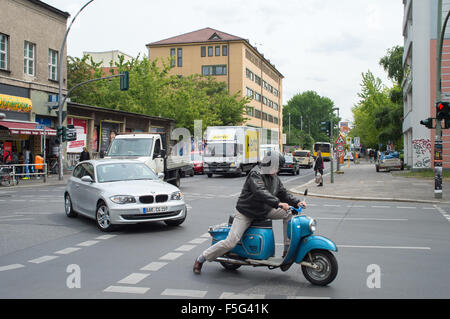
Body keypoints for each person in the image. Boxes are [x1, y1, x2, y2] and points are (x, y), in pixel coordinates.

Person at [193, 151, 306, 275]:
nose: (278, 170)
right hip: (246, 212)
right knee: (231, 241)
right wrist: (278, 203)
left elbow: (283, 193)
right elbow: (260, 191)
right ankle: (201, 259)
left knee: (289, 213)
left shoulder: (274, 178)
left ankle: (286, 250)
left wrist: (297, 202)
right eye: (277, 167)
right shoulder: (256, 173)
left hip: (264, 210)